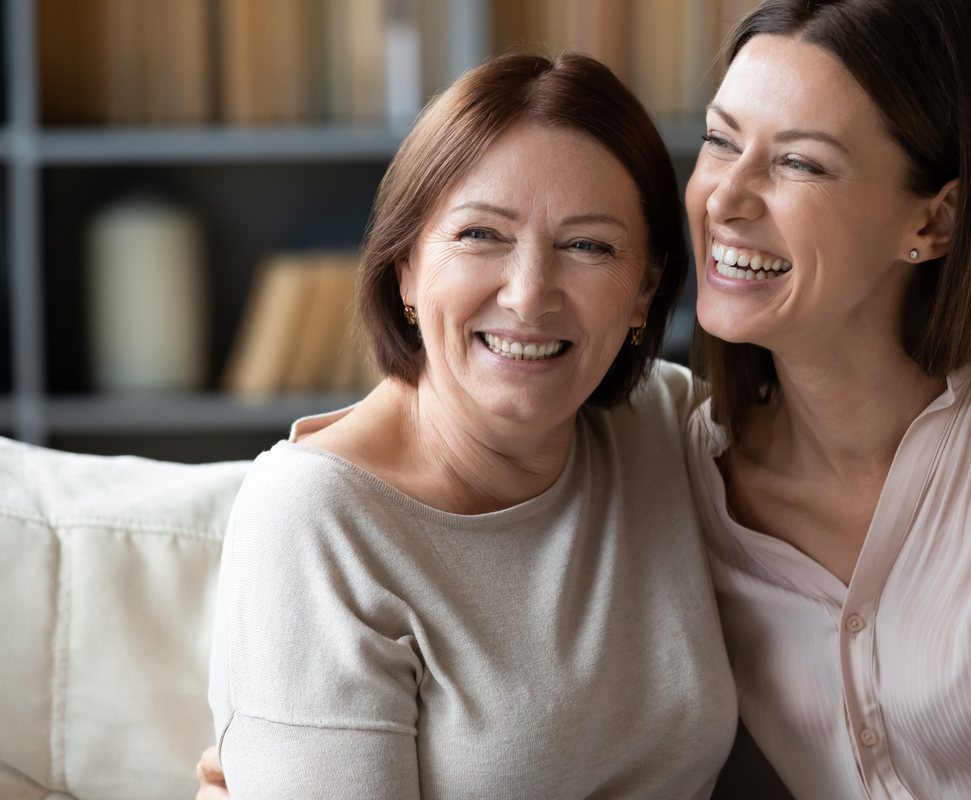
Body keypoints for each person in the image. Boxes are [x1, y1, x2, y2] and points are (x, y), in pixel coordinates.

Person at [205, 51, 739, 799]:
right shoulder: (317, 521)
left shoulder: (665, 427)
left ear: (646, 293)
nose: (529, 296)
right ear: (406, 270)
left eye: (588, 246)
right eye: (482, 234)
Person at [687, 0, 971, 798]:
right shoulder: (686, 476)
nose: (725, 198)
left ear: (936, 220)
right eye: (721, 140)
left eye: (798, 163)